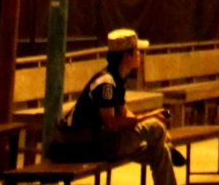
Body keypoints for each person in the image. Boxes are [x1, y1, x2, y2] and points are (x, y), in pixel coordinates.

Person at [47, 29, 178, 185]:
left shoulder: (117, 79)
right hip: (93, 145)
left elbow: (125, 115)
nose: (140, 56)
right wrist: (151, 117)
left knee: (160, 152)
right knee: (155, 127)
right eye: (137, 51)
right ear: (126, 55)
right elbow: (111, 124)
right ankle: (164, 141)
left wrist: (155, 120)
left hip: (106, 142)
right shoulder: (106, 84)